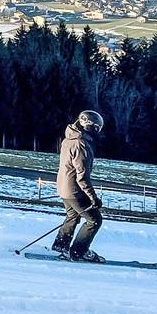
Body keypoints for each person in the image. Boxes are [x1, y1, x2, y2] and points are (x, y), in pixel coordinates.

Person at [51, 109, 105, 262]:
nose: (97, 131)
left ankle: (60, 246)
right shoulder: (81, 144)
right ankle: (78, 251)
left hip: (64, 187)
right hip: (74, 190)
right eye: (96, 128)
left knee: (72, 216)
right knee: (94, 220)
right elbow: (82, 176)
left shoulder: (68, 139)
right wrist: (93, 198)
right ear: (88, 126)